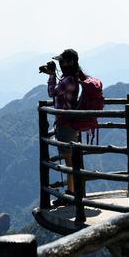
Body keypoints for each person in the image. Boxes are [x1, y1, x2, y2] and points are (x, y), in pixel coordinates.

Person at [44, 48, 89, 202]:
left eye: (62, 61)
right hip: (68, 123)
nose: (60, 64)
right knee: (71, 159)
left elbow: (52, 93)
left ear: (69, 63)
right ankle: (73, 192)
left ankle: (71, 194)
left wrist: (51, 76)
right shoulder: (72, 78)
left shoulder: (68, 80)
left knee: (69, 161)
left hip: (65, 124)